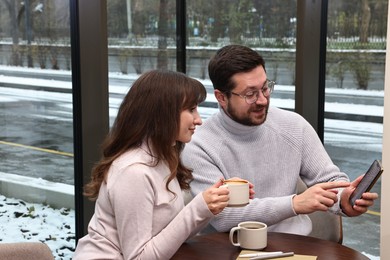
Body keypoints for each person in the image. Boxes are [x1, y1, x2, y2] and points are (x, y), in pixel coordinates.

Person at [181, 44, 378, 235]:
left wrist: (344, 199)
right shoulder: (199, 144)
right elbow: (222, 216)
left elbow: (330, 180)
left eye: (265, 88)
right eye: (250, 94)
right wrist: (293, 204)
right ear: (221, 98)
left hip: (294, 246)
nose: (263, 100)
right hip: (226, 250)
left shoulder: (293, 125)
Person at [73, 69, 237, 259]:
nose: (198, 120)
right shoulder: (134, 172)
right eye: (191, 109)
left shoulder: (161, 158)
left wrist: (209, 206)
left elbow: (170, 235)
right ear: (162, 113)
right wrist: (198, 208)